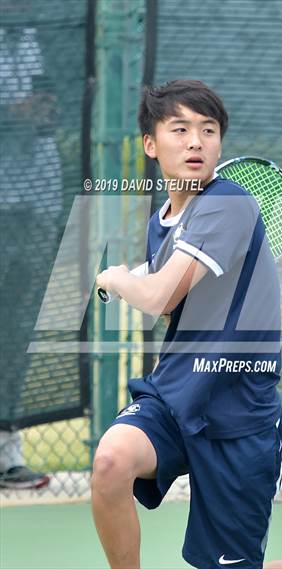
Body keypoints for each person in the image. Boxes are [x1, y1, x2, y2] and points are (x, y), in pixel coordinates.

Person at [93, 80, 282, 569]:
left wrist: (118, 278)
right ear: (151, 144)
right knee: (110, 462)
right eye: (181, 129)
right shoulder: (163, 222)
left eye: (207, 131)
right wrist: (140, 278)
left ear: (219, 144)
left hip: (238, 414)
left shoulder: (229, 203)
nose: (195, 141)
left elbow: (158, 298)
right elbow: (176, 307)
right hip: (174, 395)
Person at [0, 22, 61, 490]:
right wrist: (11, 113)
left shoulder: (39, 38)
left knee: (17, 333)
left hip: (36, 205)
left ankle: (6, 455)